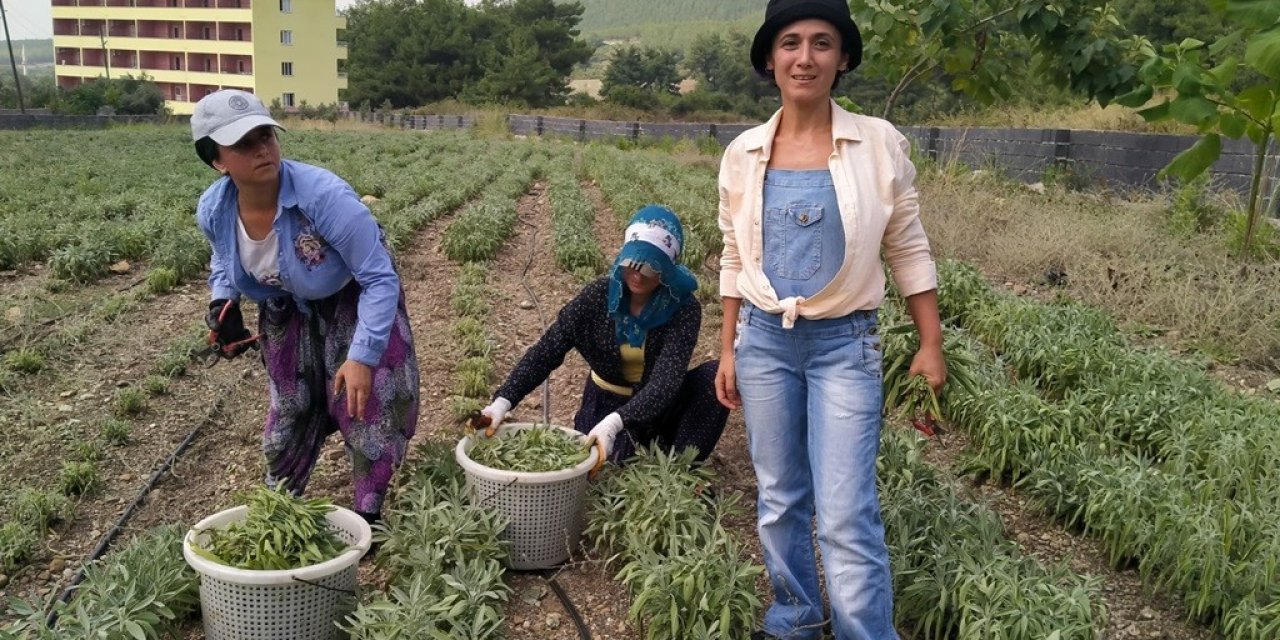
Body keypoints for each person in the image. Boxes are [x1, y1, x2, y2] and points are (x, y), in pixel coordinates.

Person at [714, 1, 947, 638]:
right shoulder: (743, 153)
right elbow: (734, 254)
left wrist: (931, 341)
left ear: (843, 58)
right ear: (770, 59)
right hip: (763, 342)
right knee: (779, 499)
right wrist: (729, 347)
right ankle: (794, 618)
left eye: (823, 43)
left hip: (845, 346)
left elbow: (907, 245)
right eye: (790, 43)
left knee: (846, 513)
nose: (805, 57)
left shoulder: (878, 143)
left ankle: (864, 631)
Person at [192, 89, 419, 527]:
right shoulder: (214, 209)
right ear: (217, 159)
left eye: (266, 135)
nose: (262, 148)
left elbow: (378, 277)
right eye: (243, 143)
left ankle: (368, 515)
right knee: (292, 404)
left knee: (362, 401)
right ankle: (281, 508)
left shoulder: (323, 197)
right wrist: (223, 302)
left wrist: (362, 355)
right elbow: (223, 259)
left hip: (352, 297)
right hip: (285, 305)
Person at [478, 204, 728, 471]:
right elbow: (547, 350)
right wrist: (503, 401)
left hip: (659, 403)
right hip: (606, 400)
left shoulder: (683, 307)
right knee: (602, 471)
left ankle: (679, 471)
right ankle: (632, 447)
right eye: (632, 263)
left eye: (650, 268)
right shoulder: (597, 297)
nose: (637, 275)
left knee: (714, 377)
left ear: (668, 270)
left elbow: (666, 381)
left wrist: (617, 422)